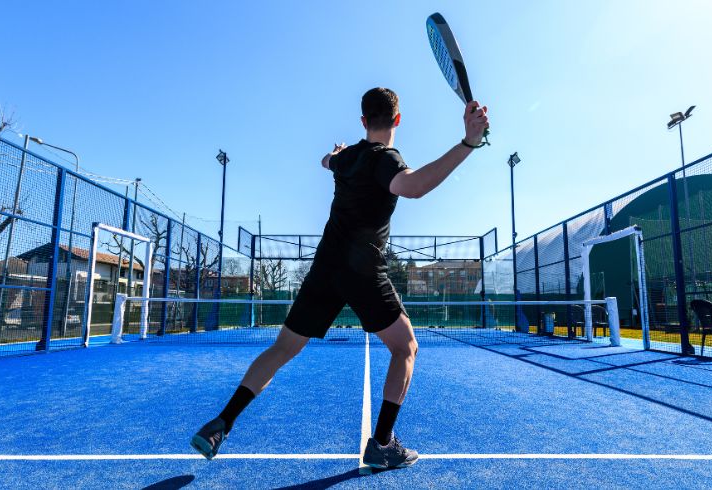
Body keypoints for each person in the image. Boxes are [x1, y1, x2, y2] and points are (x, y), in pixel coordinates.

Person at [191, 87, 489, 469]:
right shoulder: (386, 159)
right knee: (406, 348)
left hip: (325, 268)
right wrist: (468, 142)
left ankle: (222, 422)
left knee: (282, 348)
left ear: (364, 121)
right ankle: (382, 444)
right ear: (397, 120)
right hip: (362, 271)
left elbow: (325, 161)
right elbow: (412, 187)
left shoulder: (345, 158)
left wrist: (335, 153)